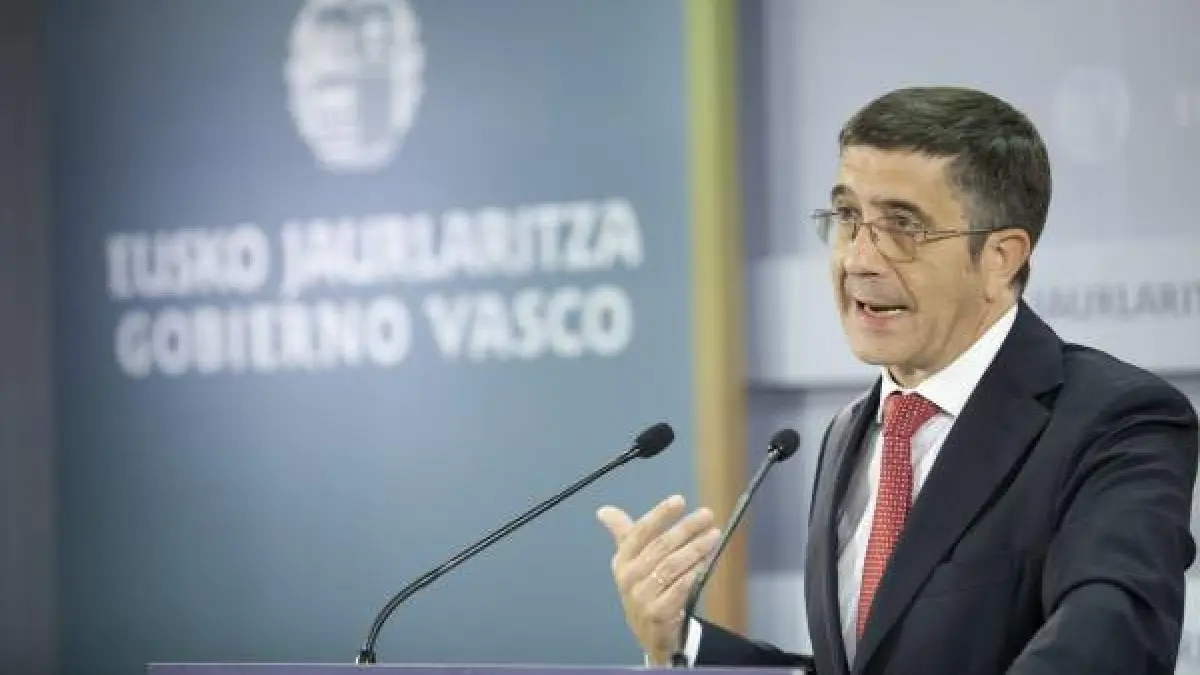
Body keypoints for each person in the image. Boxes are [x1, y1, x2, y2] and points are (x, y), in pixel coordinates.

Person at [596, 86, 1200, 674]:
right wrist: (682, 641)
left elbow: (1108, 640)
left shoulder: (1116, 419)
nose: (859, 259)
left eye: (903, 226)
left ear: (1001, 258)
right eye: (847, 217)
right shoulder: (847, 433)